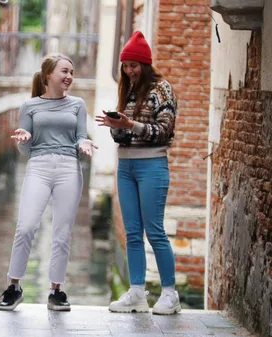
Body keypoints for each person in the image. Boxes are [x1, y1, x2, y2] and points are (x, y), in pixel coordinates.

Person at [0, 53, 98, 311]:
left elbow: (79, 137)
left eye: (71, 73)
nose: (69, 77)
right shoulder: (29, 106)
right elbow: (25, 151)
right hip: (39, 166)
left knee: (62, 232)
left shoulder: (77, 104)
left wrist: (84, 142)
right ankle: (14, 286)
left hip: (68, 167)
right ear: (48, 75)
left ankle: (56, 290)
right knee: (26, 226)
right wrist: (25, 139)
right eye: (64, 71)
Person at [95, 31, 181, 315]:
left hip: (152, 165)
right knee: (133, 233)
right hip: (126, 166)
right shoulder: (128, 90)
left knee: (155, 231)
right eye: (125, 65)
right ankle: (136, 293)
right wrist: (115, 125)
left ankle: (169, 294)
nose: (129, 71)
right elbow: (124, 138)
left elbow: (162, 132)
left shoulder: (162, 89)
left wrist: (131, 125)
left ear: (145, 64)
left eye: (134, 65)